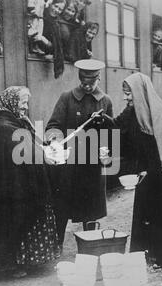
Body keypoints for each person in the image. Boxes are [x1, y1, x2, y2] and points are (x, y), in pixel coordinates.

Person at [105, 72, 162, 267]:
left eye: (128, 93)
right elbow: (118, 131)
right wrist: (101, 120)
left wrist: (152, 170)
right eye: (124, 93)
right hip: (147, 172)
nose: (125, 98)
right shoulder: (132, 113)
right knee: (147, 211)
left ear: (139, 93)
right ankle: (149, 253)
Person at [0, 86, 60, 278]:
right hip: (13, 187)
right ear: (12, 102)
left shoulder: (13, 121)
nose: (25, 107)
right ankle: (6, 266)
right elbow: (26, 150)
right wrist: (45, 156)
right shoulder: (5, 126)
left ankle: (20, 261)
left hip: (18, 184)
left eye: (26, 103)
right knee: (13, 222)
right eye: (22, 103)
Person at [45, 59, 113, 246]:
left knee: (91, 211)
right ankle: (54, 248)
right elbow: (53, 125)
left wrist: (107, 150)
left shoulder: (105, 101)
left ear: (98, 78)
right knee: (62, 208)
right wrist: (54, 141)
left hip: (92, 167)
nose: (87, 86)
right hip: (68, 166)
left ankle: (89, 247)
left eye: (91, 82)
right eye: (84, 82)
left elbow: (112, 133)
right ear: (79, 78)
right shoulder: (67, 97)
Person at [34, 0, 66, 78]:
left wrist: (43, 39)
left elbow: (54, 47)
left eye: (60, 9)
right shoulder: (39, 15)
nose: (56, 10)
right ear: (50, 4)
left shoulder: (56, 25)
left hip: (43, 58)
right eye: (55, 6)